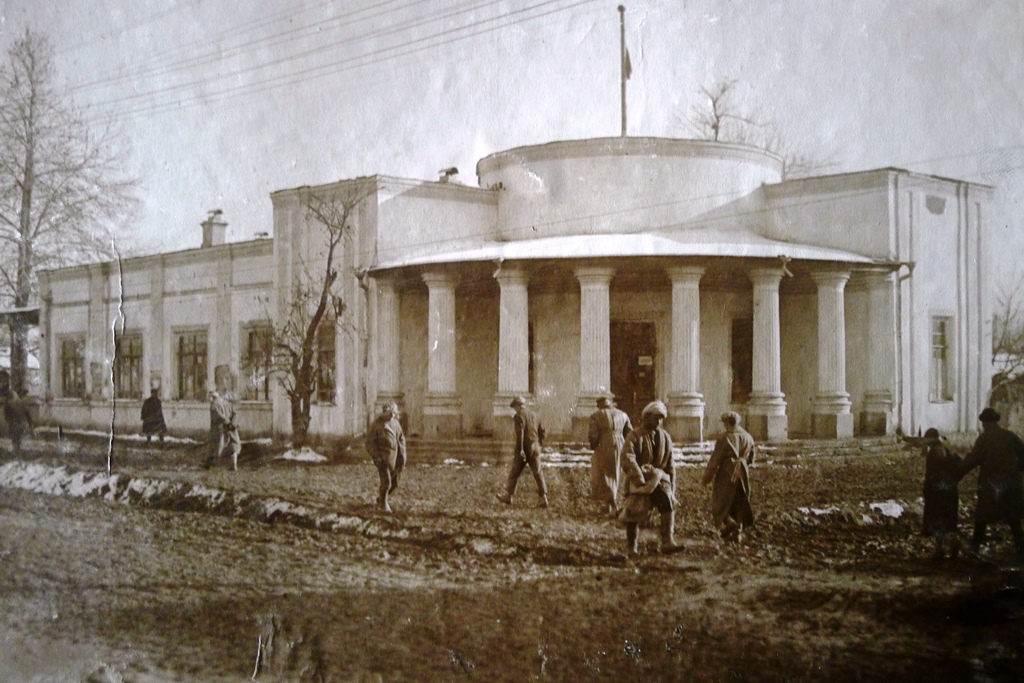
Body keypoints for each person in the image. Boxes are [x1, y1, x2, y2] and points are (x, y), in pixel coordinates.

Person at [961, 407, 1024, 561]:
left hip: (991, 485)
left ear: (985, 423)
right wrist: (1016, 471)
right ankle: (1021, 551)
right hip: (1012, 484)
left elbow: (973, 460)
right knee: (1013, 519)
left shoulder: (984, 439)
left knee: (982, 517)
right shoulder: (1010, 436)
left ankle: (975, 547)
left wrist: (956, 474)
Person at [619, 400, 680, 554]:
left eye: (661, 419)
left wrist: (671, 487)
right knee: (634, 510)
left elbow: (670, 465)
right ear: (646, 417)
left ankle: (667, 541)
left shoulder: (665, 437)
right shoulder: (634, 435)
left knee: (667, 504)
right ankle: (631, 546)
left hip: (660, 480)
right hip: (639, 480)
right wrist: (639, 480)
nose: (658, 422)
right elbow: (627, 457)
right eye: (655, 418)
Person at [701, 411, 756, 543]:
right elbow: (751, 459)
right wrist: (742, 463)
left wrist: (706, 478)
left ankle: (730, 524)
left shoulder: (724, 438)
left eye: (725, 423)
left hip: (727, 472)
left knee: (720, 500)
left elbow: (715, 460)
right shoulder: (748, 437)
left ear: (727, 423)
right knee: (739, 500)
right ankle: (737, 531)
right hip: (743, 472)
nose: (724, 426)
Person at [497, 396, 548, 508]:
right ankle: (543, 498)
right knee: (538, 472)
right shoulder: (535, 415)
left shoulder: (519, 416)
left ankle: (509, 496)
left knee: (514, 472)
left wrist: (520, 449)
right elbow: (543, 432)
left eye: (515, 407)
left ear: (519, 406)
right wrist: (539, 444)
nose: (515, 410)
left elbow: (520, 434)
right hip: (535, 447)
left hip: (524, 448)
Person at [920, 427, 962, 560]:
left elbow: (931, 474)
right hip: (950, 489)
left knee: (937, 520)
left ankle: (939, 549)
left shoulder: (934, 452)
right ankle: (954, 544)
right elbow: (960, 464)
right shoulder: (948, 448)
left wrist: (926, 489)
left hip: (937, 491)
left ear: (930, 438)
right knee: (949, 520)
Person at [588, 394, 632, 515]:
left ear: (600, 405)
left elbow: (593, 435)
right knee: (616, 472)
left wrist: (594, 446)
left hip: (604, 443)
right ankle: (611, 502)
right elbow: (629, 432)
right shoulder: (623, 414)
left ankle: (611, 503)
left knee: (604, 473)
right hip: (620, 443)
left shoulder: (596, 415)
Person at [365, 402, 407, 513]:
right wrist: (376, 456)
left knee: (395, 483)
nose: (391, 415)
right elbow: (369, 443)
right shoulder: (377, 425)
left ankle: (381, 498)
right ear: (384, 413)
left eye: (393, 413)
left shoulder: (395, 423)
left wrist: (402, 455)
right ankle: (383, 505)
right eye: (389, 413)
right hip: (382, 459)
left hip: (395, 458)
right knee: (386, 482)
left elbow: (401, 438)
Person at [206, 390, 241, 471]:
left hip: (220, 427)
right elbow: (234, 414)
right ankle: (234, 465)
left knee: (217, 445)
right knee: (234, 444)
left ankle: (215, 465)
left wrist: (227, 423)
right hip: (231, 427)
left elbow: (218, 416)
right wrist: (232, 424)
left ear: (213, 397)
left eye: (210, 397)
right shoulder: (228, 404)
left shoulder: (214, 405)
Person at [4, 392, 33, 457]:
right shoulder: (21, 404)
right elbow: (27, 413)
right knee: (18, 439)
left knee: (14, 439)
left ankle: (15, 452)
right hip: (22, 424)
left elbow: (7, 417)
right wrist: (30, 423)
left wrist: (8, 422)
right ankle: (17, 451)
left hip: (14, 424)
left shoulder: (8, 405)